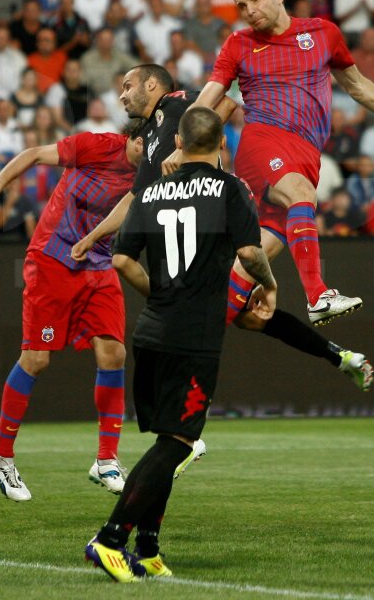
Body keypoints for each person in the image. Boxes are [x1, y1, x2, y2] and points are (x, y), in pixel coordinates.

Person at [74, 64, 374, 391]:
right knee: (245, 316)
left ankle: (187, 430)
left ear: (151, 85)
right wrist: (93, 235)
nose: (122, 95)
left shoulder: (177, 103)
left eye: (128, 86)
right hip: (207, 235)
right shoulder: (149, 136)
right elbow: (133, 199)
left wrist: (186, 150)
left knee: (200, 326)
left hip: (221, 224)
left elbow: (229, 103)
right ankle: (341, 357)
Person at [85, 107, 277, 582]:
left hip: (151, 332)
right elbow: (251, 254)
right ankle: (110, 538)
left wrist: (161, 294)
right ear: (222, 145)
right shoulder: (232, 189)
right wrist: (269, 285)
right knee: (178, 442)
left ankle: (148, 548)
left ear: (178, 143)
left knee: (167, 437)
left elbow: (123, 262)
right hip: (193, 338)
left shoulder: (150, 192)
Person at [187, 0, 374, 325]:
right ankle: (318, 295)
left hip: (307, 153)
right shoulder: (239, 44)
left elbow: (357, 84)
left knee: (259, 253)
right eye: (241, 5)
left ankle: (198, 332)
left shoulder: (322, 33)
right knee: (301, 195)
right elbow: (210, 96)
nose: (249, 10)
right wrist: (182, 141)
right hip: (262, 141)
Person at [0, 125, 143, 502]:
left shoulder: (150, 170)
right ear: (135, 139)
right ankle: (1, 457)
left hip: (97, 262)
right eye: (148, 143)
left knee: (114, 353)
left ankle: (107, 459)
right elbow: (32, 154)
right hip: (53, 257)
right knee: (36, 358)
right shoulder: (96, 145)